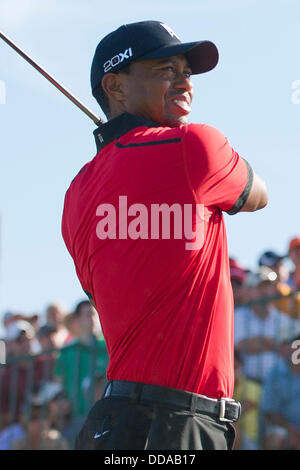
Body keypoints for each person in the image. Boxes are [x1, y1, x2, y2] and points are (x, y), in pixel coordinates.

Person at [62, 20, 268, 450]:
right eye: (165, 70)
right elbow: (259, 194)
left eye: (186, 72)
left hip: (109, 427)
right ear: (115, 86)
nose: (184, 82)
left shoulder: (77, 192)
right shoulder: (196, 147)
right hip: (181, 428)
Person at [234, 267, 296, 383]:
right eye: (260, 287)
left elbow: (292, 350)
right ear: (249, 290)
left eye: (268, 286)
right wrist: (278, 345)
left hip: (280, 383)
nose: (264, 291)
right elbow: (242, 345)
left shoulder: (284, 319)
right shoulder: (238, 315)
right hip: (248, 383)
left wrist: (260, 342)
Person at [53, 300, 108, 421]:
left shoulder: (109, 345)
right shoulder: (67, 352)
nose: (93, 318)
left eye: (94, 314)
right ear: (78, 320)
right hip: (77, 419)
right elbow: (59, 383)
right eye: (88, 315)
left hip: (107, 415)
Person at [260, 322, 300, 450]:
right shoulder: (274, 373)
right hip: (283, 430)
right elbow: (270, 413)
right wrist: (291, 430)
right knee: (276, 440)